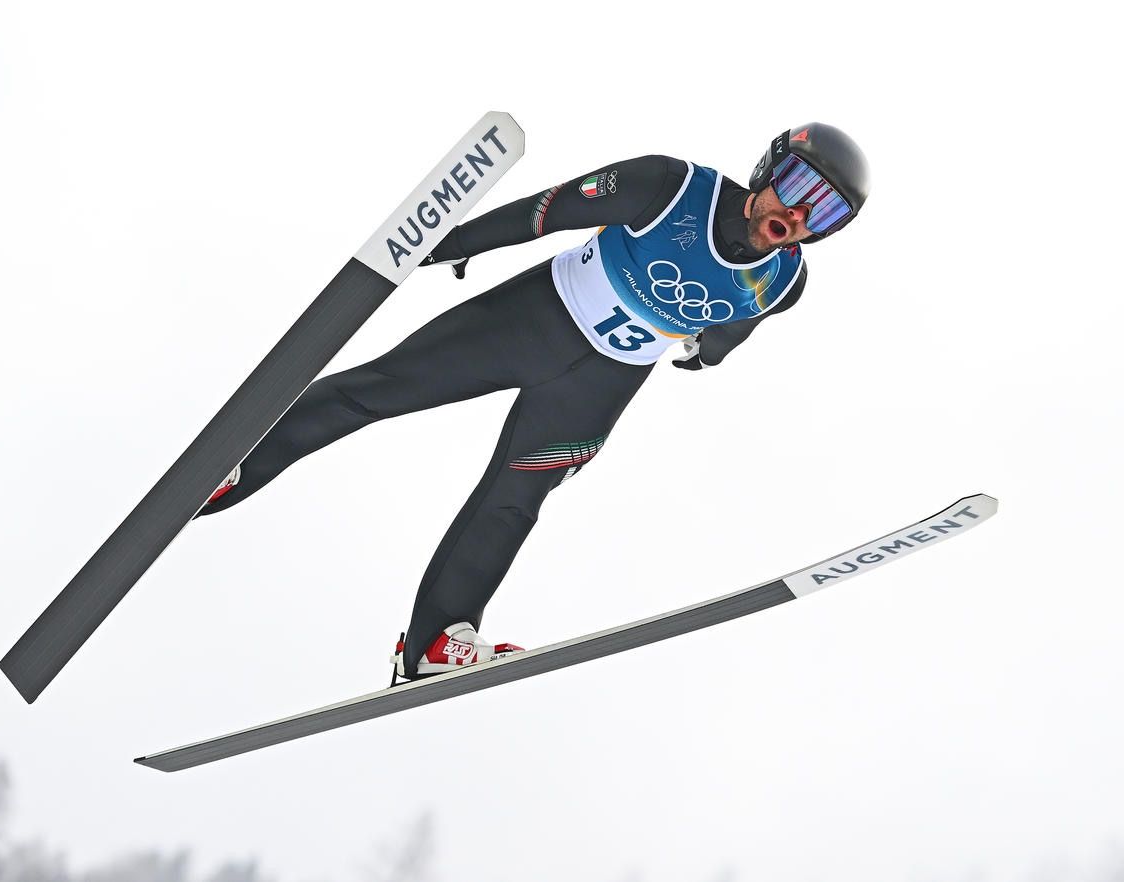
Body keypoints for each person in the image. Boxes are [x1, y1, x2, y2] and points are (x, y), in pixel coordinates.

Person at [195, 122, 871, 680]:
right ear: (768, 169)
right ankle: (236, 467)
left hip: (598, 387)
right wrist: (442, 246)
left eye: (826, 212)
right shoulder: (671, 187)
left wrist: (703, 355)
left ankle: (435, 643)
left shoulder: (783, 282)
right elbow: (545, 212)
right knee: (382, 389)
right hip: (534, 321)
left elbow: (730, 327)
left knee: (515, 499)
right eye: (799, 188)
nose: (800, 214)